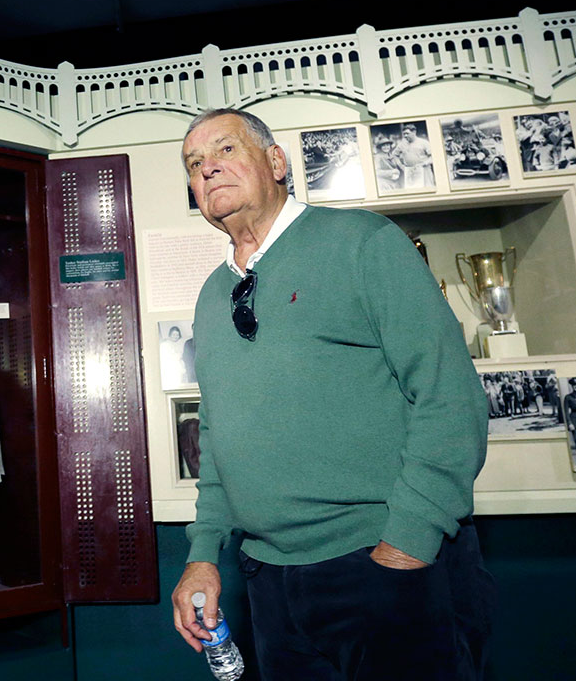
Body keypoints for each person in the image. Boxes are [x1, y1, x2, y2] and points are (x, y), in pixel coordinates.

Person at [171, 108, 493, 679]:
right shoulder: (211, 296)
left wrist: (406, 547)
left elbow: (449, 396)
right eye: (195, 164)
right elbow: (218, 436)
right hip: (267, 581)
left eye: (224, 150)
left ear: (276, 161)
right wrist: (203, 554)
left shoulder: (363, 243)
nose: (209, 169)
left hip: (385, 562)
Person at [393, 123, 434, 188]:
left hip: (424, 170)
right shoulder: (402, 144)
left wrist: (424, 163)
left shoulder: (424, 142)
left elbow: (433, 156)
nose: (405, 136)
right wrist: (401, 166)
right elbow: (394, 155)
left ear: (414, 132)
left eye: (407, 133)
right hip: (409, 171)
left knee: (427, 189)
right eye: (404, 134)